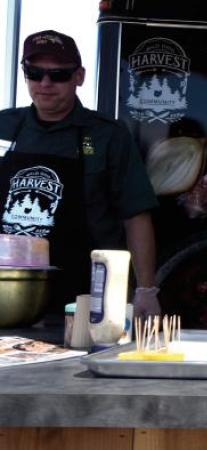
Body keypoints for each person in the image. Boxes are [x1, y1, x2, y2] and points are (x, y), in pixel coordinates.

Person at [0, 30, 160, 317]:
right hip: (8, 295)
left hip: (85, 298)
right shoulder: (4, 127)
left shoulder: (107, 135)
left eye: (58, 75)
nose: (45, 83)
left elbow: (135, 215)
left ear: (79, 76)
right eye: (34, 73)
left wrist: (146, 290)